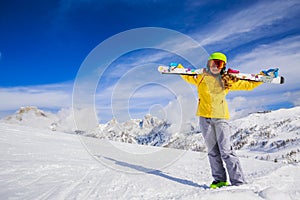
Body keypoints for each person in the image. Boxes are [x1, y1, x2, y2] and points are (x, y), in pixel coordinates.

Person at [178, 52, 262, 188]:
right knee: (212, 151)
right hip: (204, 118)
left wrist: (262, 76)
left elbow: (247, 85)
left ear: (223, 66)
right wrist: (179, 68)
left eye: (219, 64)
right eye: (213, 63)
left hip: (220, 118)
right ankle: (219, 180)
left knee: (226, 150)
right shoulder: (200, 78)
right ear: (208, 64)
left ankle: (238, 182)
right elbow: (187, 75)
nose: (215, 66)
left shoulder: (226, 80)